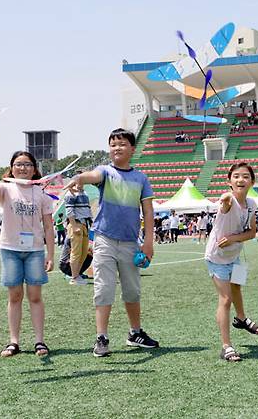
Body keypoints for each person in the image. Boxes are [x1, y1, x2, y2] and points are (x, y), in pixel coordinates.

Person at [64, 128, 158, 357]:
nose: (117, 148)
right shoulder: (105, 171)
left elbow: (147, 211)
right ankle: (102, 337)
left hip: (130, 243)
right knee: (103, 289)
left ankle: (135, 333)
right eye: (113, 144)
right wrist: (78, 178)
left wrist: (148, 242)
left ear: (133, 149)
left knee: (132, 291)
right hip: (104, 239)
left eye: (122, 144)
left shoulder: (141, 178)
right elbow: (91, 176)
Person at [0, 151, 54, 357]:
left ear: (34, 169)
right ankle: (14, 342)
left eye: (27, 164)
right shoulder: (5, 189)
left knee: (35, 296)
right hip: (10, 249)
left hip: (35, 251)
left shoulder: (41, 194)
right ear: (11, 168)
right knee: (15, 296)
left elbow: (48, 227)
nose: (23, 168)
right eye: (18, 164)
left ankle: (39, 341)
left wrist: (51, 255)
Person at [205, 162, 258, 362]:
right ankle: (226, 346)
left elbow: (252, 233)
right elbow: (226, 201)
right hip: (217, 258)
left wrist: (233, 239)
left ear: (252, 182)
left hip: (235, 255)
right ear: (229, 181)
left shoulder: (252, 204)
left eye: (246, 176)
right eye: (236, 176)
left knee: (237, 287)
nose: (241, 179)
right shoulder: (228, 201)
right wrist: (225, 198)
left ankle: (241, 319)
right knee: (225, 299)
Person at [65, 172, 93, 285]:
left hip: (85, 224)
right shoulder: (70, 194)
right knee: (76, 252)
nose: (81, 183)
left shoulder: (84, 193)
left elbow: (87, 209)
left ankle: (77, 275)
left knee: (83, 252)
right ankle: (74, 277)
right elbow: (69, 211)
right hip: (77, 224)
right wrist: (74, 225)